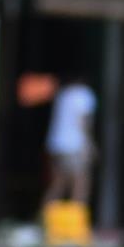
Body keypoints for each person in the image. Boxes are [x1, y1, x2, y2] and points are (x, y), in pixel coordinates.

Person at [42, 73, 96, 211]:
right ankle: (76, 224)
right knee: (81, 183)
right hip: (74, 145)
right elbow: (82, 121)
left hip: (55, 144)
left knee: (58, 184)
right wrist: (88, 143)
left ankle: (45, 219)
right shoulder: (84, 94)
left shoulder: (63, 94)